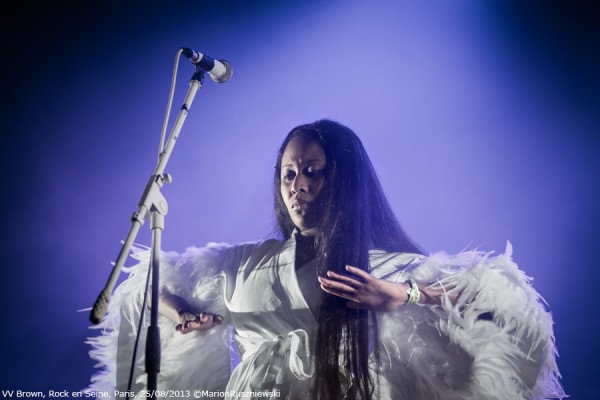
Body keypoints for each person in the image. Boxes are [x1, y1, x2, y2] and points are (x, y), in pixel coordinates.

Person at [87, 119, 565, 399]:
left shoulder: (377, 266)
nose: (298, 186)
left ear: (343, 179)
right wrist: (179, 310)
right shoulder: (244, 265)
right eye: (288, 174)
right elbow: (147, 283)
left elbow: (500, 297)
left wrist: (404, 294)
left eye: (312, 172)